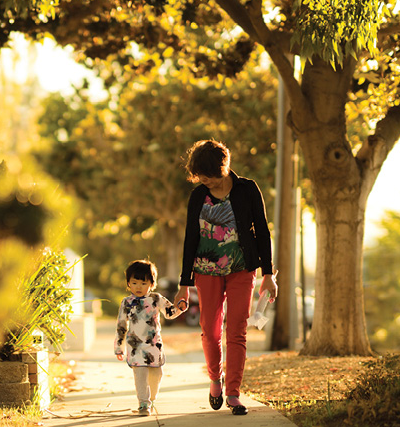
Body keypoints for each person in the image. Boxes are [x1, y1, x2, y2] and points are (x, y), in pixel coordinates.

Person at [173, 139, 278, 416]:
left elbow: (262, 232)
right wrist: (184, 284)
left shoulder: (248, 189)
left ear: (223, 167)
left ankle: (233, 392)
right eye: (200, 178)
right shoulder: (198, 196)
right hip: (205, 270)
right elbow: (190, 238)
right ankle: (214, 378)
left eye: (207, 176)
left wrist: (268, 274)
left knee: (237, 330)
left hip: (242, 269)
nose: (203, 181)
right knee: (210, 329)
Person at [115, 259, 186, 417]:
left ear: (151, 284)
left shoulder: (156, 299)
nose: (138, 287)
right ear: (128, 284)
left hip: (154, 345)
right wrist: (118, 346)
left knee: (156, 374)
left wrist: (180, 309)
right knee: (140, 375)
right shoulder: (126, 303)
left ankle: (151, 398)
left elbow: (169, 313)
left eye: (143, 283)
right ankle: (143, 403)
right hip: (135, 347)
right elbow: (121, 325)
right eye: (134, 283)